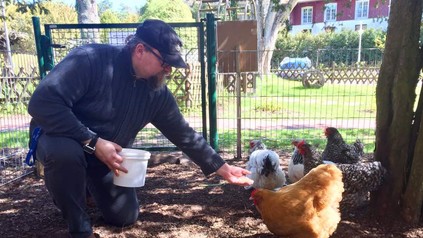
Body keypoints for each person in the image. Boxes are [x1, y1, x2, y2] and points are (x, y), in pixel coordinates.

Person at [28, 19, 253, 238]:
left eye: (171, 66)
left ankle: (83, 187)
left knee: (125, 216)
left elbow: (184, 134)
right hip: (61, 138)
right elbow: (42, 103)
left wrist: (222, 168)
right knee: (65, 155)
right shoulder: (90, 60)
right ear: (139, 50)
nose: (168, 71)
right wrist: (93, 142)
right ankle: (78, 227)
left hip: (106, 157)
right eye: (164, 62)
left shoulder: (156, 94)